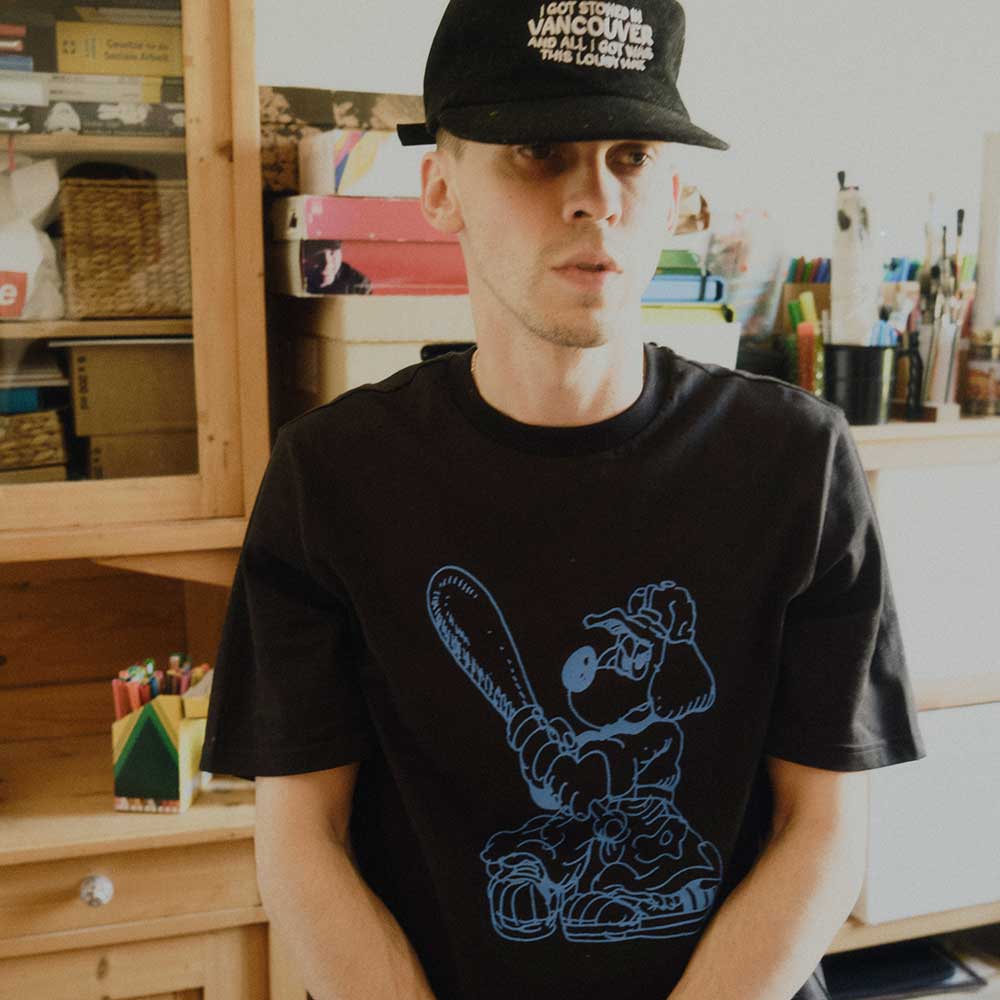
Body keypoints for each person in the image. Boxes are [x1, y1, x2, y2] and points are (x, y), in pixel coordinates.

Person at [201, 2, 925, 998]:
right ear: (440, 188)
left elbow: (824, 828)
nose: (596, 196)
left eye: (631, 154)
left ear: (672, 193)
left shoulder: (793, 463)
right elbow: (299, 844)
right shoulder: (332, 477)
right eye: (539, 151)